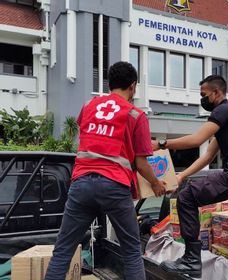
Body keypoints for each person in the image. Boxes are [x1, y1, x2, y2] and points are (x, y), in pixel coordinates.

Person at [45, 62, 167, 280]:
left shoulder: (89, 106)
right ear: (133, 86)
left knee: (62, 251)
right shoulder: (136, 115)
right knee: (131, 253)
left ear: (110, 84)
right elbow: (140, 163)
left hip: (81, 183)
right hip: (114, 185)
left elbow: (101, 136)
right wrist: (156, 184)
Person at [156, 75, 228, 278]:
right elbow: (207, 156)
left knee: (186, 197)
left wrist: (162, 144)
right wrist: (182, 176)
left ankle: (191, 261)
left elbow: (197, 140)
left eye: (204, 95)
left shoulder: (223, 110)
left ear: (217, 93)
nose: (202, 99)